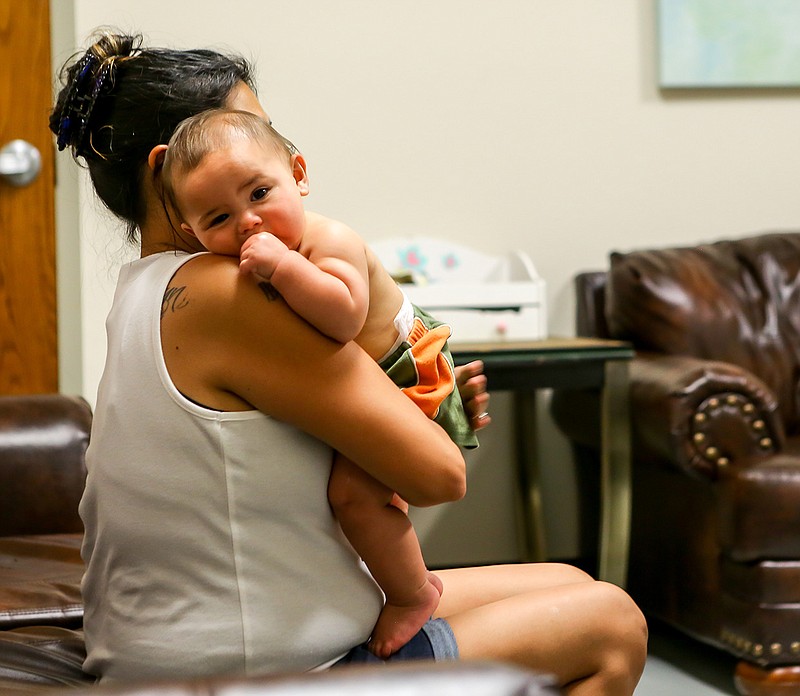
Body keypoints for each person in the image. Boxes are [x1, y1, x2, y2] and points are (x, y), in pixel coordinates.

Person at [50, 30, 647, 695]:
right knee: (613, 623)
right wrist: (424, 419)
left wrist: (419, 408)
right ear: (169, 170)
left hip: (189, 644)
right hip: (250, 670)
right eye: (253, 129)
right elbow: (439, 475)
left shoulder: (145, 288)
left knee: (566, 582)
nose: (284, 152)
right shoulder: (227, 293)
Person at [161, 107, 477, 658]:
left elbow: (345, 316)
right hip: (376, 376)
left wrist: (283, 267)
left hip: (406, 370)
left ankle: (413, 592)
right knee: (358, 497)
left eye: (259, 193)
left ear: (299, 175)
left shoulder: (329, 240)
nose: (248, 223)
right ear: (190, 233)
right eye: (218, 219)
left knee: (355, 498)